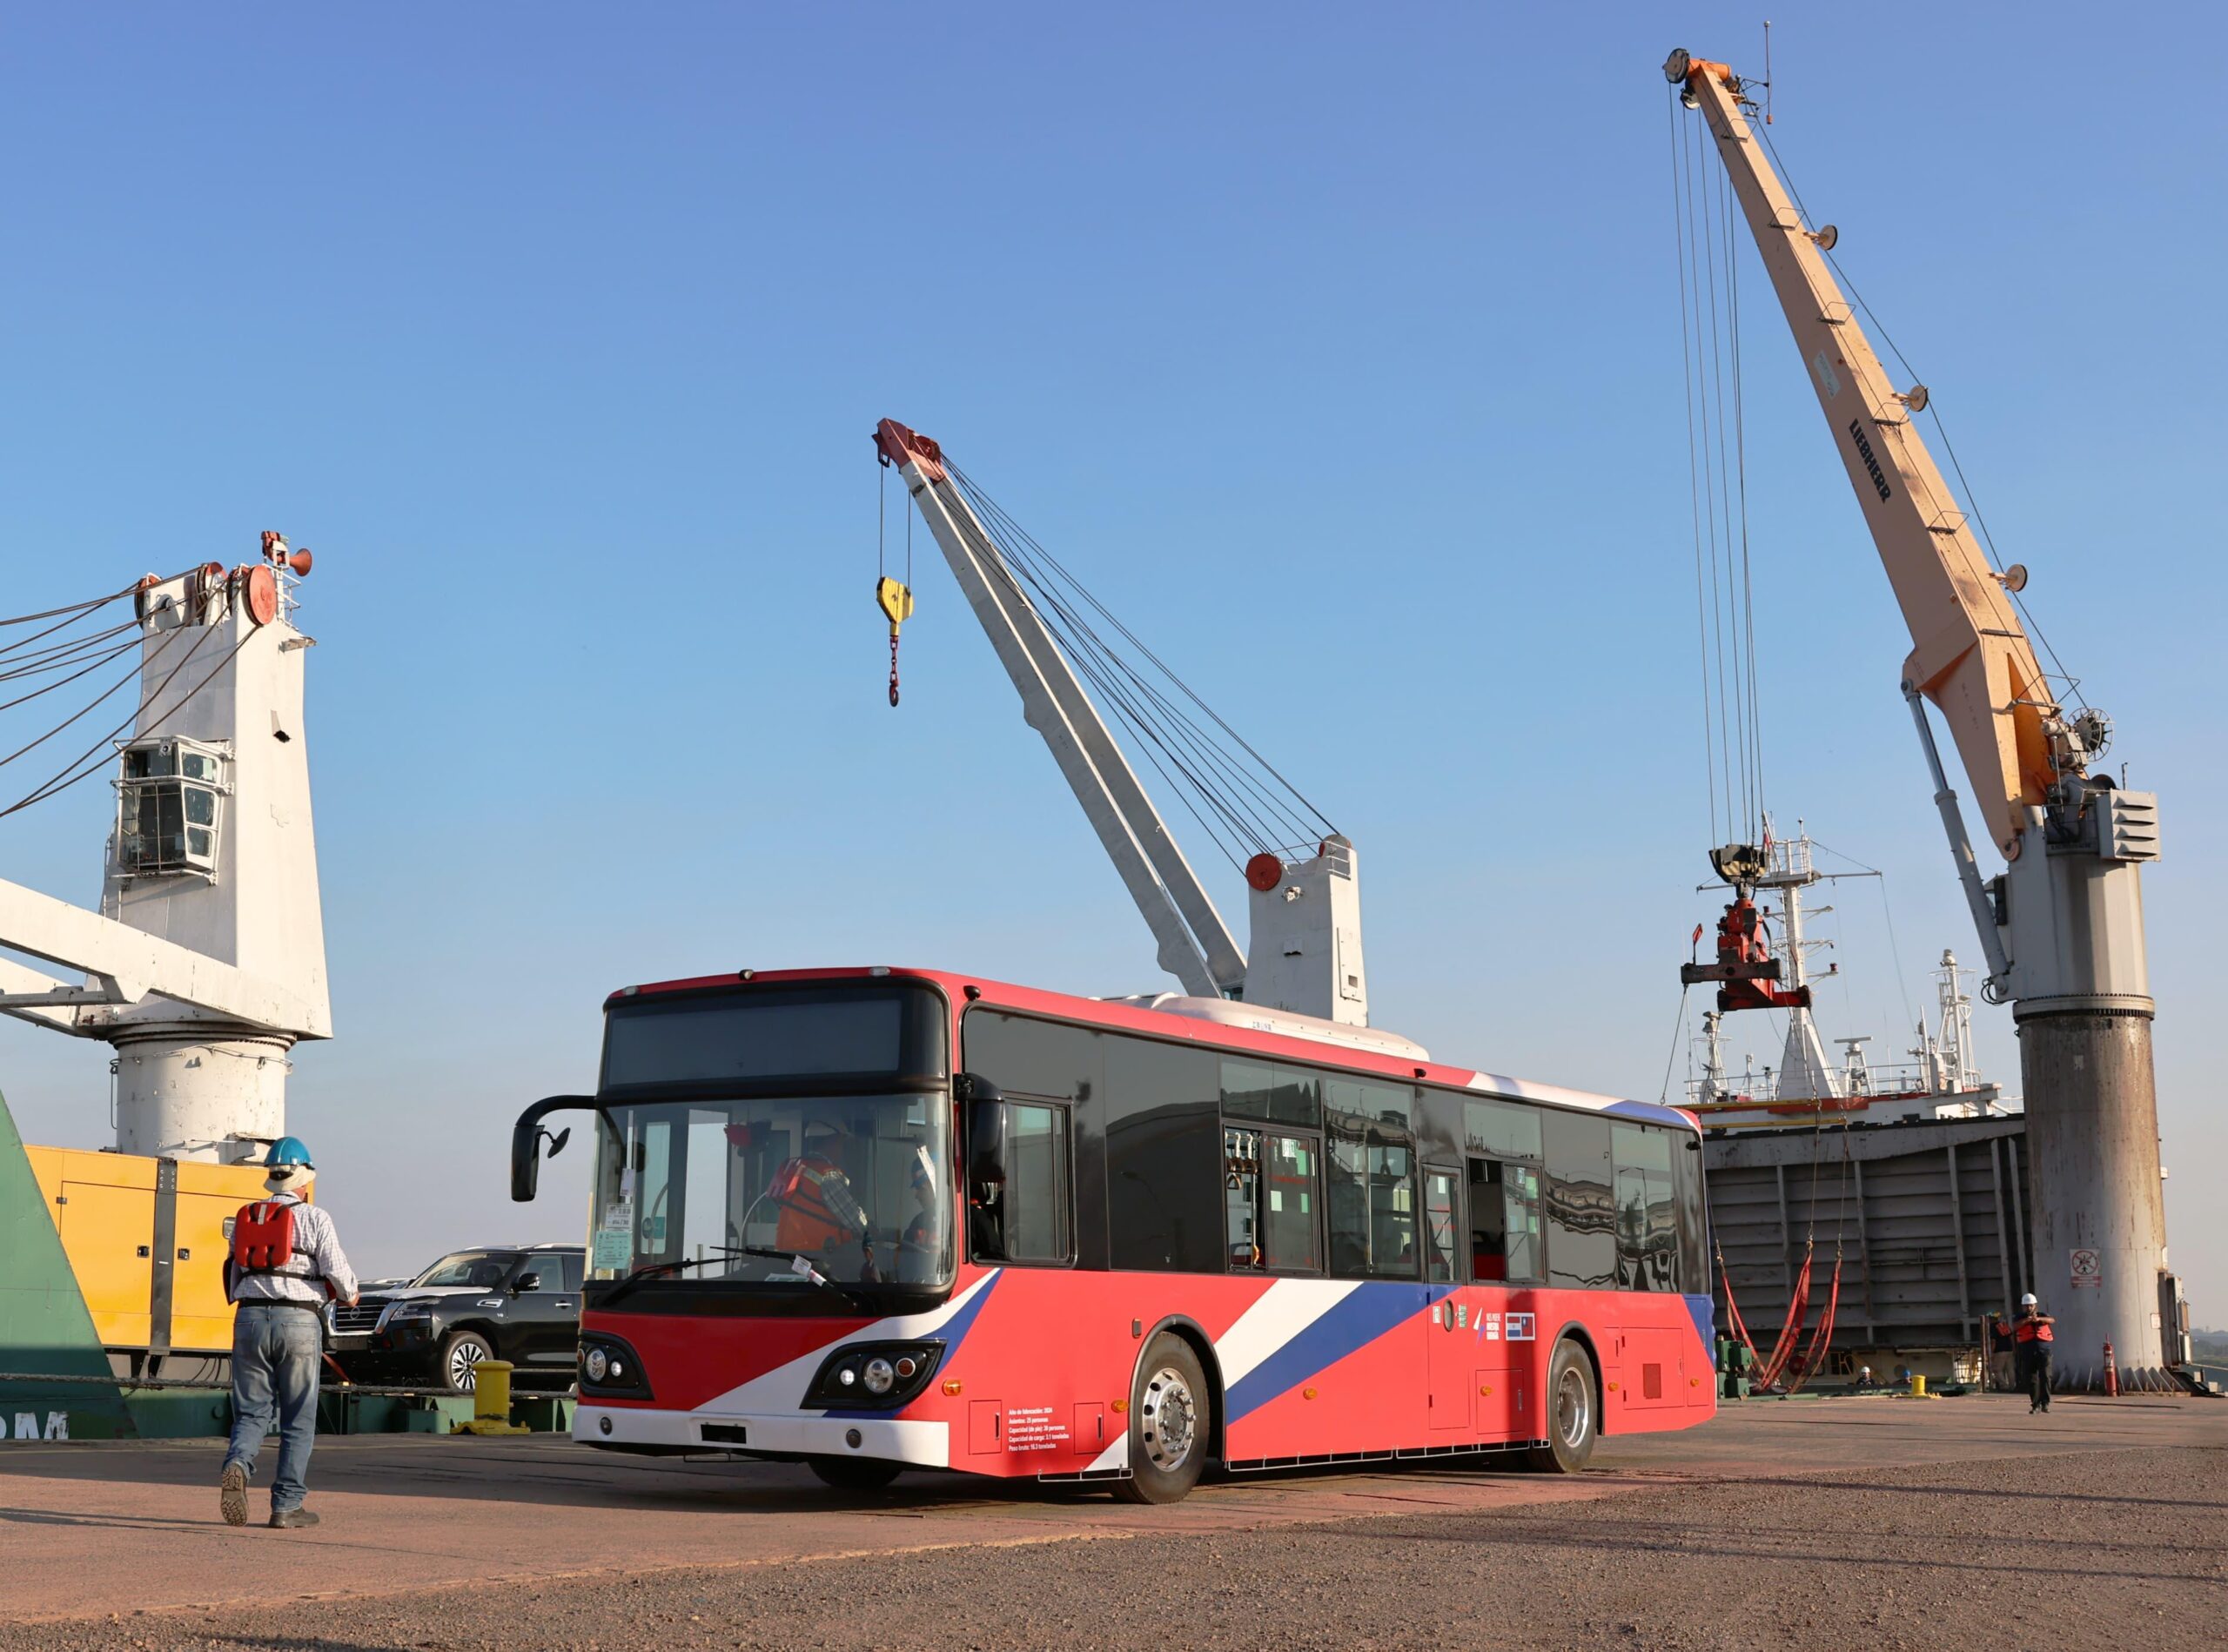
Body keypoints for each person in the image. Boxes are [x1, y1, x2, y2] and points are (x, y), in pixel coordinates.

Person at [219, 1137, 358, 1529]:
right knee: (298, 1416)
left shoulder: (247, 1216)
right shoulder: (315, 1217)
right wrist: (350, 1294)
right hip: (297, 1321)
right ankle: (287, 1506)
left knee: (251, 1412)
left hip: (247, 1320)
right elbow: (337, 1272)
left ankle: (238, 1466)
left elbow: (233, 1274)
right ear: (304, 1177)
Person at [2011, 1292, 2056, 1413]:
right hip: (2027, 1351)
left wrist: (2038, 1319)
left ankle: (2045, 1403)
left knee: (2046, 1376)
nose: (2029, 1308)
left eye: (2031, 1305)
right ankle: (2035, 1404)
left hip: (2044, 1351)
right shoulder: (2019, 1317)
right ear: (2023, 1307)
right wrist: (2028, 1320)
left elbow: (2052, 1320)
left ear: (2035, 1305)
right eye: (2026, 1306)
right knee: (2031, 1379)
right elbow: (2014, 1327)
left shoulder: (2042, 1315)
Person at [1989, 1312, 2017, 1393]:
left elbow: (1993, 1341)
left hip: (1999, 1351)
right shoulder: (2004, 1325)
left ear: (1991, 1319)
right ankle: (2013, 1386)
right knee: (2010, 1369)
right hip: (2009, 1350)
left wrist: (1992, 1352)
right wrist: (2014, 1348)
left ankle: (2004, 1386)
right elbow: (2011, 1337)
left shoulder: (1992, 1327)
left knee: (1997, 1369)